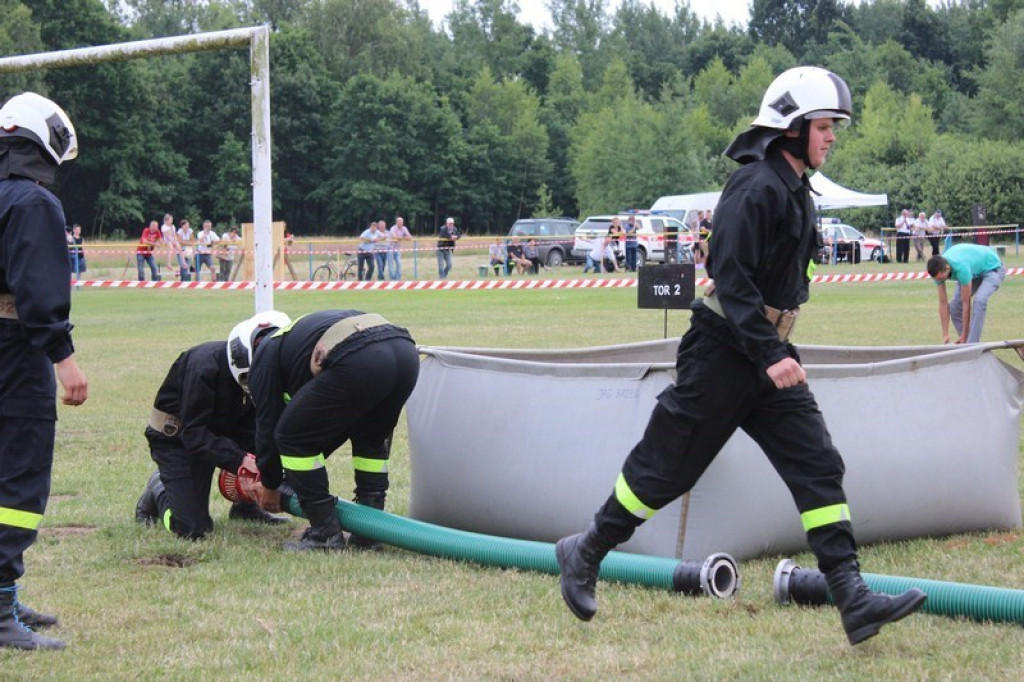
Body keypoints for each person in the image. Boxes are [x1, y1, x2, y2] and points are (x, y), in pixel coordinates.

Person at [555, 67, 926, 646]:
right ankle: (586, 551)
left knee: (818, 464)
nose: (832, 136)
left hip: (767, 351)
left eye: (834, 127)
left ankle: (852, 598)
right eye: (824, 126)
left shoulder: (796, 188)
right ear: (792, 128)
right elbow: (730, 278)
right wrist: (770, 352)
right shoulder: (755, 187)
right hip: (725, 352)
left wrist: (775, 350)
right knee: (666, 468)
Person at [0, 91, 87, 650]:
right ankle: (0, 607)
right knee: (18, 478)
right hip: (15, 352)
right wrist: (64, 358)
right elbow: (36, 289)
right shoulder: (33, 202)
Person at [230, 310, 419, 551]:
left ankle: (324, 535)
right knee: (370, 439)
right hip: (405, 352)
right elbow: (329, 430)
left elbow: (269, 428)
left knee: (291, 436)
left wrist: (270, 484)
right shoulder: (297, 341)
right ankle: (370, 532)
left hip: (362, 356)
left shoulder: (264, 357)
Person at [133, 327, 290, 540]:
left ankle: (245, 508)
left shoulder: (255, 370)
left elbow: (256, 427)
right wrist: (240, 460)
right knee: (191, 530)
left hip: (218, 433)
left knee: (265, 447)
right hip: (178, 440)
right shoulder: (204, 367)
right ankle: (158, 491)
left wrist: (263, 467)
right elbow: (193, 435)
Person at [926, 243, 1005, 344]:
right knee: (955, 307)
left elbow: (966, 303)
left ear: (947, 268)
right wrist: (945, 334)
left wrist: (964, 334)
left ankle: (973, 344)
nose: (940, 281)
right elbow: (943, 303)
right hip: (974, 271)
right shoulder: (937, 271)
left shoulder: (961, 268)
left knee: (979, 301)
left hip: (993, 268)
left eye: (942, 278)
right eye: (937, 279)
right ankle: (967, 342)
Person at [161, 213, 187, 281]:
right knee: (171, 248)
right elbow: (166, 235)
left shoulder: (172, 226)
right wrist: (171, 240)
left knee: (179, 248)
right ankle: (169, 263)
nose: (171, 220)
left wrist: (175, 240)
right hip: (167, 240)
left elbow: (174, 234)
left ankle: (183, 261)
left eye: (172, 219)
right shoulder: (164, 227)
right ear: (166, 220)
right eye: (170, 219)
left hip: (173, 239)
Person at [387, 216, 411, 280]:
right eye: (399, 222)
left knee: (399, 263)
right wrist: (403, 238)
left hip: (397, 248)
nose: (400, 223)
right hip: (390, 248)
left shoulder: (404, 228)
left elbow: (409, 237)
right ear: (396, 222)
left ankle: (398, 279)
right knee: (391, 265)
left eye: (401, 222)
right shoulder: (393, 228)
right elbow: (395, 237)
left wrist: (401, 238)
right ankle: (392, 279)